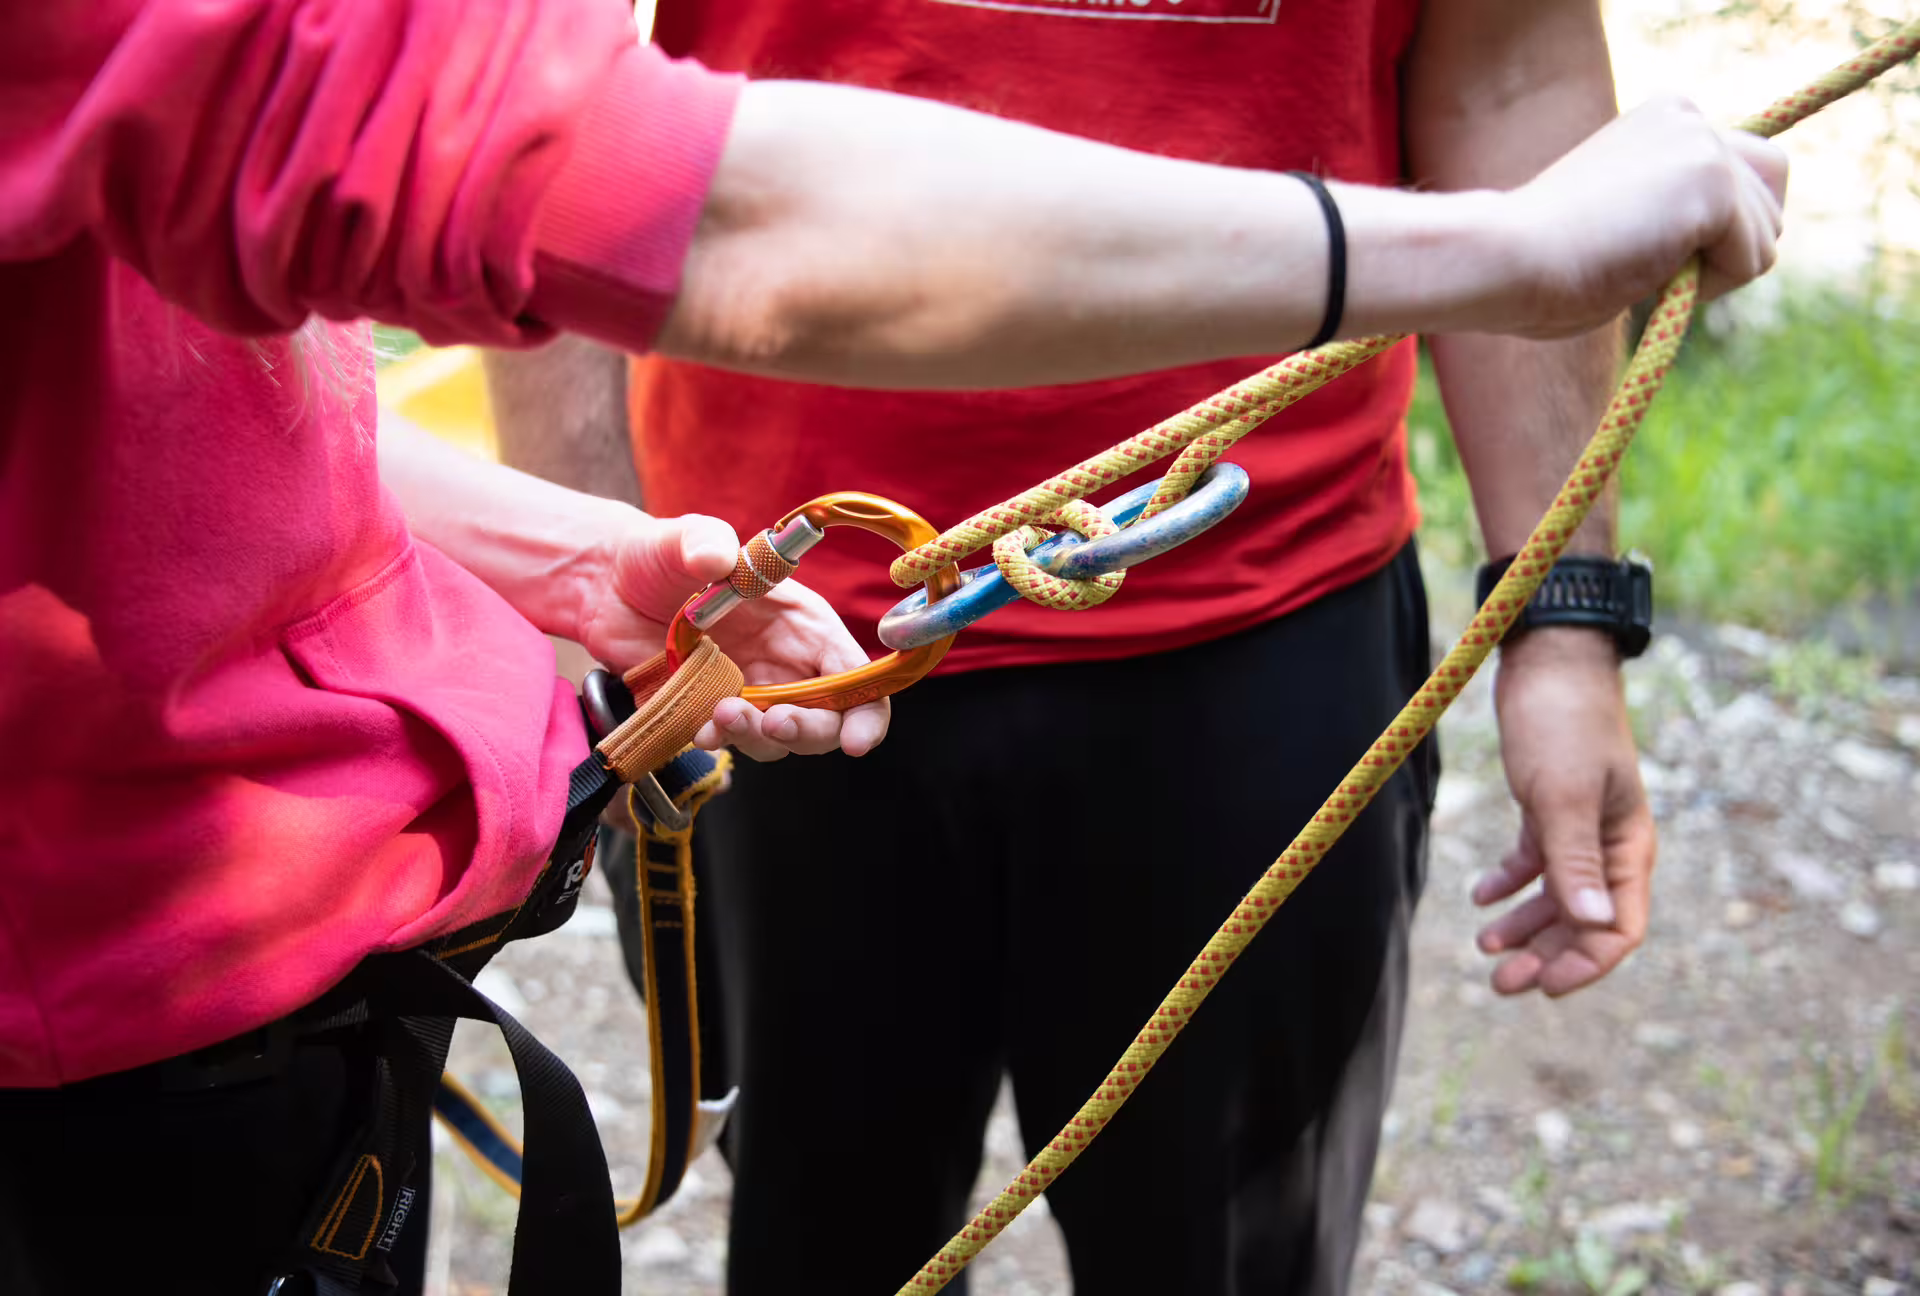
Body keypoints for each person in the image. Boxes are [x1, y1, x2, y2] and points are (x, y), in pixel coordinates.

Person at [0, 1, 1783, 1293]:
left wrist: (1564, 615)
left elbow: (1505, 60)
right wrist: (1508, 251)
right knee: (824, 1229)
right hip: (781, 677)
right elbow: (566, 163)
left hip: (1251, 623)